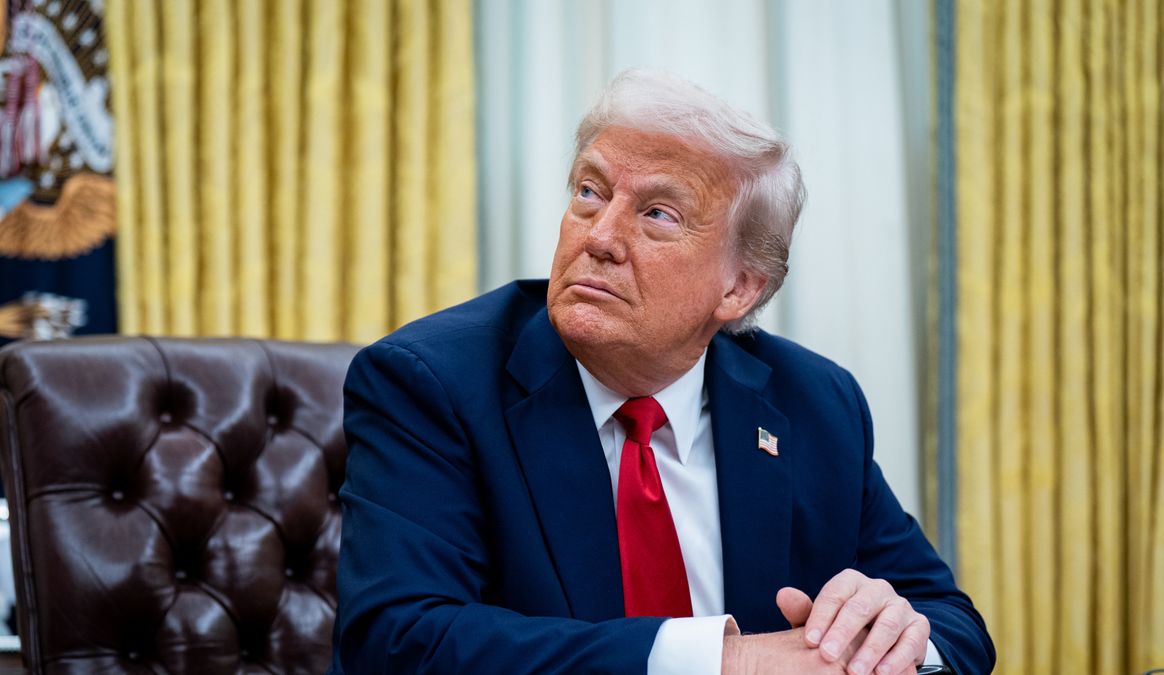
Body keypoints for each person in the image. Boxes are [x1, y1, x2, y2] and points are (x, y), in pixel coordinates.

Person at [332, 70, 994, 674]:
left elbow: (956, 625)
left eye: (657, 214)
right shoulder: (431, 383)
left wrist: (887, 636)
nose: (599, 236)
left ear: (739, 288)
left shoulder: (815, 403)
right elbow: (395, 641)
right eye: (590, 192)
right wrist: (726, 662)